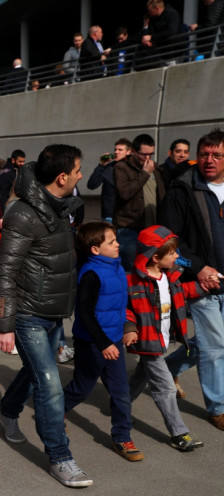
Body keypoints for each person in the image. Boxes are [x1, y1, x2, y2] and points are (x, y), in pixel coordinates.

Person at [0, 144, 91, 488]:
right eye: (78, 170)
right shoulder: (24, 213)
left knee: (36, 369)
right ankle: (61, 458)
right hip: (28, 313)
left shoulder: (60, 206)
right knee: (49, 385)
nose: (82, 176)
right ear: (62, 177)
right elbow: (4, 272)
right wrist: (3, 326)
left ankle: (6, 409)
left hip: (52, 311)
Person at [160, 128, 224, 430]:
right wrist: (198, 268)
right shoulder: (182, 188)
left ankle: (166, 368)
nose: (209, 160)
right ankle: (218, 408)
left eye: (217, 155)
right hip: (202, 283)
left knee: (212, 344)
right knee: (214, 348)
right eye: (204, 155)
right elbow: (170, 240)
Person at [62, 222, 142, 461]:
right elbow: (85, 314)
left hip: (114, 339)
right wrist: (103, 343)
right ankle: (56, 412)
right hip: (92, 343)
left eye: (116, 240)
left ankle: (122, 437)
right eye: (111, 242)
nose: (118, 244)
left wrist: (128, 328)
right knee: (82, 387)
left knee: (120, 391)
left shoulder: (117, 266)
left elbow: (121, 304)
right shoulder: (90, 274)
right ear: (96, 249)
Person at [124, 225, 205, 451]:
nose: (177, 256)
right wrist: (129, 328)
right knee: (166, 387)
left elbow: (184, 292)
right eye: (172, 253)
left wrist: (206, 286)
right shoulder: (133, 281)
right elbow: (125, 308)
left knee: (142, 374)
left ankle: (120, 405)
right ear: (156, 257)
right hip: (147, 340)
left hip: (162, 340)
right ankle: (179, 434)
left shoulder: (171, 276)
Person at [113, 134, 165, 272]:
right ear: (134, 152)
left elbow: (162, 195)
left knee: (151, 267)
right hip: (130, 228)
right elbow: (124, 193)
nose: (147, 158)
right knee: (130, 268)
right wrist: (145, 173)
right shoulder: (122, 167)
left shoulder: (155, 168)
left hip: (152, 228)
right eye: (143, 154)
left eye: (151, 154)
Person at [87, 138, 132, 222]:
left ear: (128, 152)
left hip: (126, 215)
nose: (116, 152)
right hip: (109, 214)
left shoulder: (132, 168)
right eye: (115, 149)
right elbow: (92, 185)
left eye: (120, 150)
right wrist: (101, 165)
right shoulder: (108, 167)